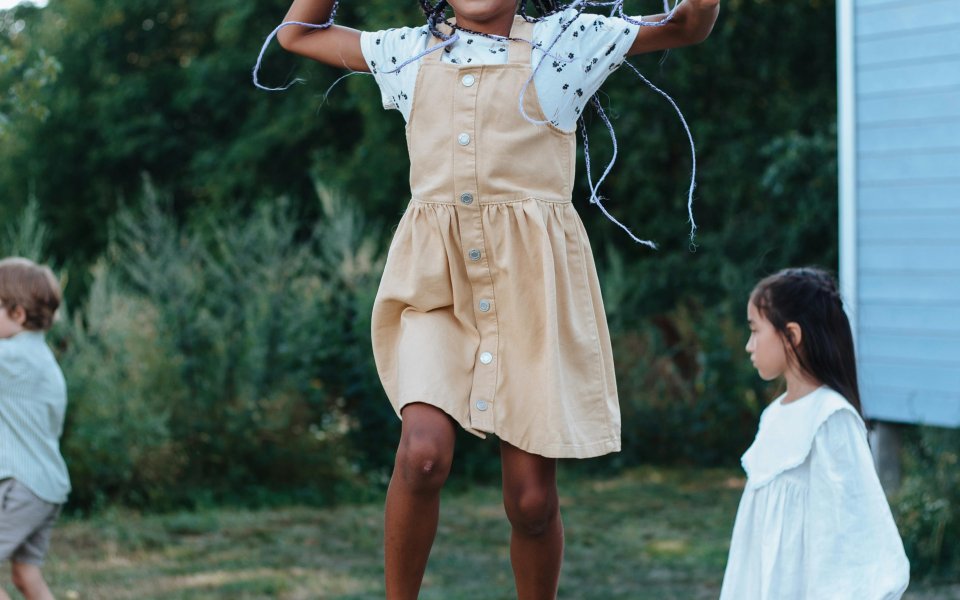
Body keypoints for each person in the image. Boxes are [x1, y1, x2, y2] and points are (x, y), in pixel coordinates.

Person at [272, 1, 719, 597]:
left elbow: (686, 26)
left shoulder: (568, 43)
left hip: (531, 296)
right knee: (422, 456)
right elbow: (297, 34)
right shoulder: (408, 52)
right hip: (437, 289)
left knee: (531, 502)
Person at [720, 267, 910, 599]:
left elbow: (852, 536)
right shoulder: (774, 416)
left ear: (791, 335)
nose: (749, 346)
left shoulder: (829, 418)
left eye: (755, 330)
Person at [0, 257, 69, 600]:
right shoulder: (42, 361)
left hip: (22, 486)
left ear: (18, 314)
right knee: (26, 574)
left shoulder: (12, 359)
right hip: (47, 487)